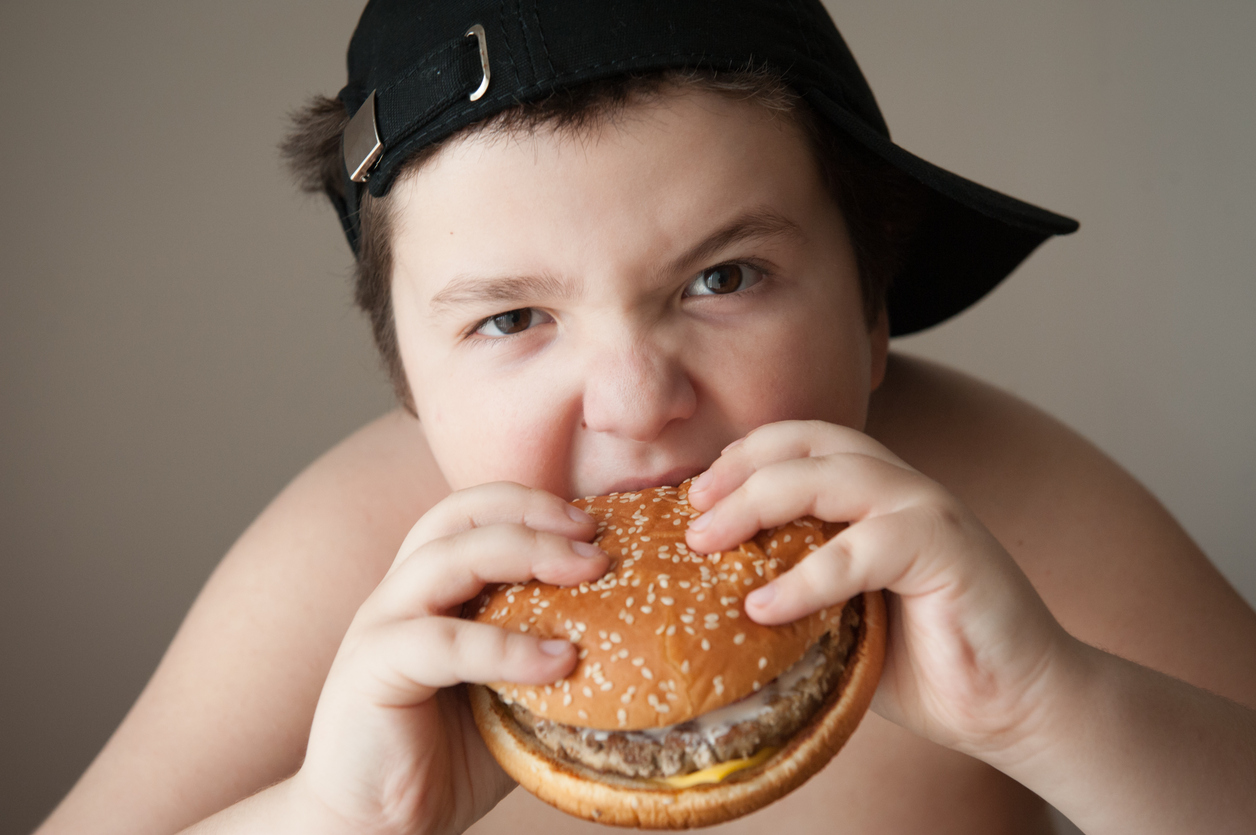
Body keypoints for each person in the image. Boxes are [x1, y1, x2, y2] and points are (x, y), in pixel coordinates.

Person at [34, 1, 1256, 833]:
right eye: (511, 318)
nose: (635, 406)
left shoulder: (1004, 516)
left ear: (871, 310)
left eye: (720, 279)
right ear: (410, 381)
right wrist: (335, 814)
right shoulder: (350, 565)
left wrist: (1051, 704)